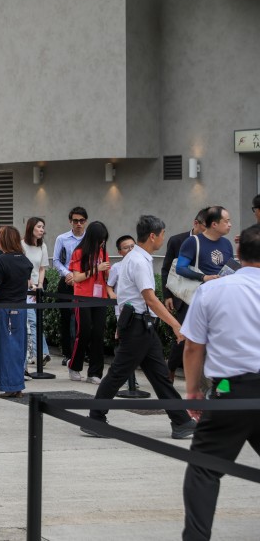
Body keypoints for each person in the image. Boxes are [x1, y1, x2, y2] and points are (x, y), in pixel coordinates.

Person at [82, 215, 196, 440]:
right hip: (138, 324)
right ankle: (95, 418)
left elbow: (128, 295)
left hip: (140, 324)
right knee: (118, 373)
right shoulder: (139, 261)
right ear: (153, 236)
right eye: (162, 234)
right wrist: (175, 325)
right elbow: (150, 299)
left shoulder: (134, 258)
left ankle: (181, 421)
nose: (164, 237)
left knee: (160, 376)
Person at [180, 224, 260, 541]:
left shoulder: (213, 290)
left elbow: (192, 346)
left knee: (203, 468)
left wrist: (193, 391)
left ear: (238, 254)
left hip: (230, 388)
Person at [0, 226, 33, 398]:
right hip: (20, 308)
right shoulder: (25, 260)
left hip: (4, 309)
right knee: (17, 347)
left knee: (5, 347)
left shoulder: (1, 260)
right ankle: (16, 384)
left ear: (4, 240)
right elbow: (28, 283)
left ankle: (10, 385)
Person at [161, 209, 207, 381]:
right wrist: (167, 295)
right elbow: (166, 268)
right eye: (206, 226)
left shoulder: (214, 244)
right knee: (183, 335)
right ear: (196, 223)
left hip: (206, 295)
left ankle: (203, 378)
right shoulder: (178, 241)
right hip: (184, 296)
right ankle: (170, 370)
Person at [67, 221, 111, 384]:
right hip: (83, 296)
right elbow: (76, 277)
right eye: (101, 239)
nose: (102, 242)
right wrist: (96, 270)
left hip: (100, 297)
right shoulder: (79, 252)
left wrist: (107, 273)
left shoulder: (103, 252)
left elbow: (107, 277)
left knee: (98, 334)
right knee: (83, 332)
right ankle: (74, 366)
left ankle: (95, 373)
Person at [53, 207, 88, 365]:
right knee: (66, 319)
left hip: (85, 282)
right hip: (67, 282)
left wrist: (80, 276)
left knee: (83, 319)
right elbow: (56, 260)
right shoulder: (62, 238)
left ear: (85, 221)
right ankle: (68, 354)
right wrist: (68, 274)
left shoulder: (90, 239)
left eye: (81, 221)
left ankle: (82, 352)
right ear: (70, 221)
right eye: (75, 221)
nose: (78, 224)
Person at [175, 205, 235, 288]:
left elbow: (231, 269)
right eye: (226, 221)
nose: (230, 225)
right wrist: (204, 277)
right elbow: (180, 268)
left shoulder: (227, 243)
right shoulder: (192, 241)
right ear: (214, 224)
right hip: (201, 294)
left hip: (223, 293)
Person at [22, 217, 50, 364]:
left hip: (36, 290)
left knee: (35, 320)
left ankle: (37, 352)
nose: (41, 230)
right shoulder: (21, 245)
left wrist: (39, 285)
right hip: (24, 288)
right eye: (39, 226)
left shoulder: (42, 246)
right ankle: (42, 352)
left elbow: (42, 268)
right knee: (32, 320)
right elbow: (21, 268)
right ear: (31, 227)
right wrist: (30, 285)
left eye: (43, 227)